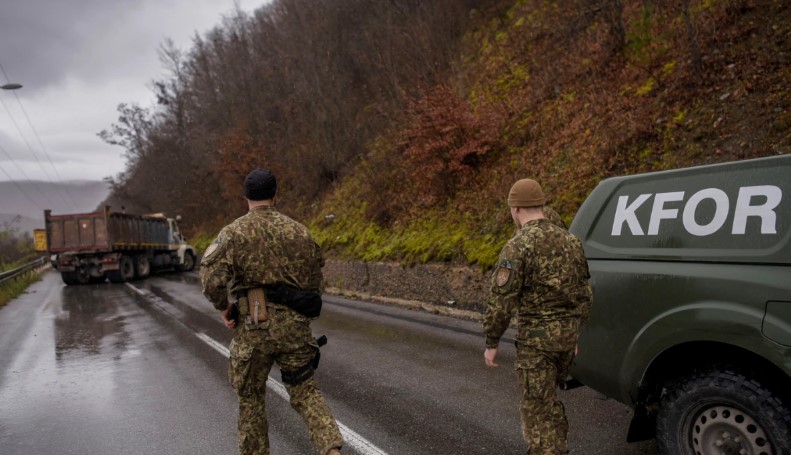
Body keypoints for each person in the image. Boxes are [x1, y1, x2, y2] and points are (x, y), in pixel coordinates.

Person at [200, 168, 343, 455]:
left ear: (246, 198)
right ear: (276, 195)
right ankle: (332, 450)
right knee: (305, 391)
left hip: (254, 327)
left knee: (251, 400)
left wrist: (225, 307)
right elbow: (316, 286)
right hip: (295, 329)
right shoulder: (300, 232)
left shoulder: (232, 233)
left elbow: (211, 281)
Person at [482, 178, 592, 455]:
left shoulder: (518, 247)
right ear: (541, 205)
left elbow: (501, 301)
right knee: (549, 403)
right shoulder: (572, 242)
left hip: (537, 346)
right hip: (566, 342)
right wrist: (575, 332)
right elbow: (585, 293)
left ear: (516, 209)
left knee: (537, 414)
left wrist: (492, 342)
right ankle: (559, 449)